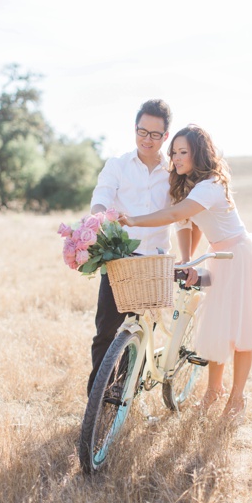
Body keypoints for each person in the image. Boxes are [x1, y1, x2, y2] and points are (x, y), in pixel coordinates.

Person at [118, 124, 252, 419]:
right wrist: (187, 260)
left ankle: (237, 398)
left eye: (183, 152)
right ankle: (214, 390)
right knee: (218, 327)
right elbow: (188, 224)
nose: (175, 158)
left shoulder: (211, 184)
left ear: (199, 153)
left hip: (239, 255)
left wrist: (134, 220)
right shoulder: (187, 186)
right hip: (219, 255)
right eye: (173, 152)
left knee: (241, 331)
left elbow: (176, 214)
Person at [87, 99, 174, 397]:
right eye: (142, 131)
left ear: (165, 136)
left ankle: (124, 395)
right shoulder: (118, 165)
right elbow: (101, 197)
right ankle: (95, 402)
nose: (146, 139)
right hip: (121, 260)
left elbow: (182, 215)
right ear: (134, 129)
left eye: (155, 134)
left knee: (142, 332)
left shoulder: (174, 172)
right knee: (106, 332)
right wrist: (98, 219)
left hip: (155, 263)